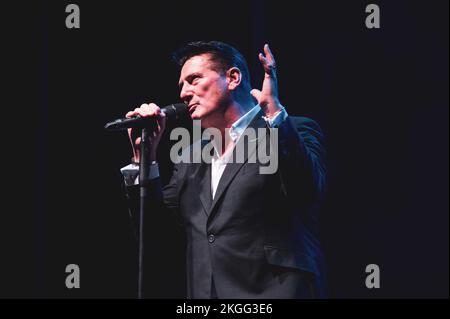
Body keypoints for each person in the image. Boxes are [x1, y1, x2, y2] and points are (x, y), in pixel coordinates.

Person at [121, 41, 327, 298]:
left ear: (232, 78)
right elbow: (156, 238)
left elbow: (307, 190)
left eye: (194, 80)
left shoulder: (292, 129)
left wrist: (274, 113)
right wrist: (145, 158)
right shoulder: (190, 157)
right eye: (181, 85)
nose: (184, 93)